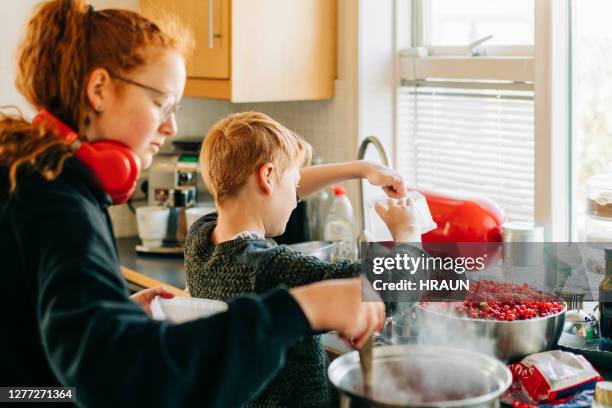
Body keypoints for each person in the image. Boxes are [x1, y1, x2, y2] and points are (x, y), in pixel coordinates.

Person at [0, 2, 384, 407]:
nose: (171, 127)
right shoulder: (59, 205)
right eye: (162, 104)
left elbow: (26, 385)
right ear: (99, 90)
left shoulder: (29, 177)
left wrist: (112, 316)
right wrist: (298, 307)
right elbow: (122, 383)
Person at [185, 112, 423, 407]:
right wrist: (408, 228)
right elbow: (400, 287)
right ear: (267, 177)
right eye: (293, 180)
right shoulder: (271, 269)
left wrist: (361, 169)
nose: (296, 196)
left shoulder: (199, 238)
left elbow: (273, 182)